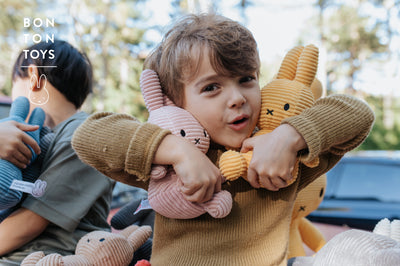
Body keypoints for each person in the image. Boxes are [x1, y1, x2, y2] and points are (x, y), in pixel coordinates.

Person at [72, 13, 375, 265]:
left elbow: (358, 114)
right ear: (178, 104)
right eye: (211, 88)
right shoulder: (167, 165)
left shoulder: (282, 160)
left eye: (246, 79)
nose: (236, 98)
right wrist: (177, 151)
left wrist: (288, 137)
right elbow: (88, 135)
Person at [0, 40, 115, 265]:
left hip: (44, 257)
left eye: (14, 86)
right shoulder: (40, 138)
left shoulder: (84, 133)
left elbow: (31, 222)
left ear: (33, 76)